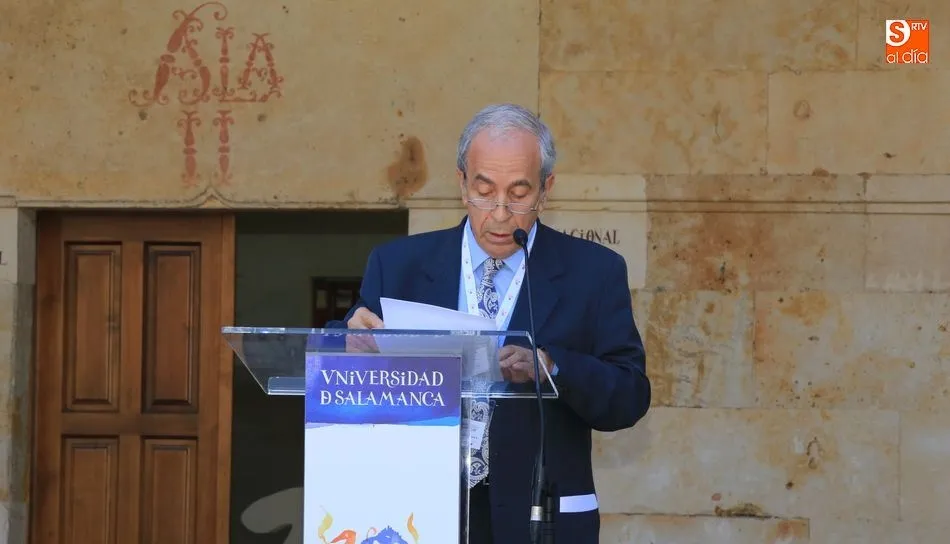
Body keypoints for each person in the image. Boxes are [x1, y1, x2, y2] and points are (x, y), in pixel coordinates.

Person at [334, 103, 651, 543]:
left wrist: (553, 368)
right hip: (416, 512)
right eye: (484, 190)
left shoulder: (594, 273)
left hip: (540, 518)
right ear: (462, 183)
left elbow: (630, 394)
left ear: (545, 189)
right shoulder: (398, 265)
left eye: (519, 193)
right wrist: (347, 341)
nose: (500, 213)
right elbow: (338, 345)